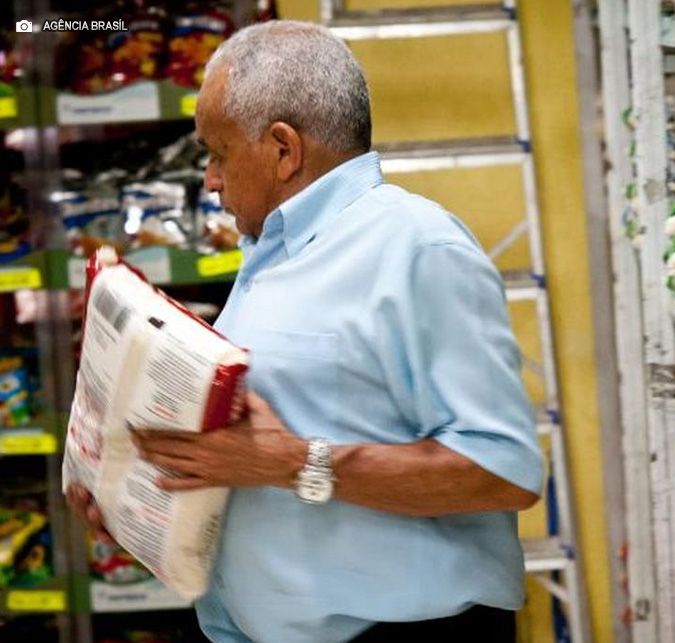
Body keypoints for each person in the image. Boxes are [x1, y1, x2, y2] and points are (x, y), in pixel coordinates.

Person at [65, 20, 544, 643]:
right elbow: (254, 463)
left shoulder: (417, 247)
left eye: (218, 152)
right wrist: (134, 504)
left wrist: (295, 463)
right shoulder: (269, 255)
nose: (209, 180)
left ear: (283, 149)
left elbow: (501, 472)